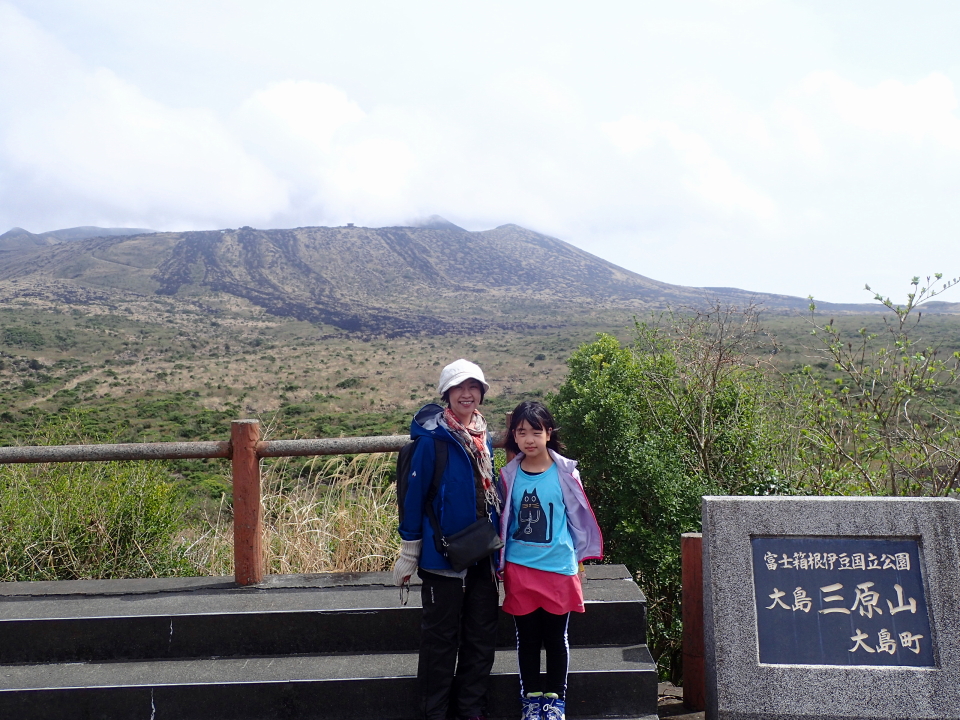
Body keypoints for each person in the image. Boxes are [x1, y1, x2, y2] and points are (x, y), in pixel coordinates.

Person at [393, 359, 502, 720]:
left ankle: (471, 711)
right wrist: (409, 551)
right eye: (459, 388)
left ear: (481, 394)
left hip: (483, 555)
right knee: (440, 644)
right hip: (442, 559)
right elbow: (414, 497)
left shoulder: (483, 438)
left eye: (473, 387)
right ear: (446, 394)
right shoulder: (432, 440)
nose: (467, 394)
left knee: (480, 640)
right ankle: (434, 713)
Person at [498, 401, 603, 720]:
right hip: (520, 567)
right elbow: (504, 520)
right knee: (527, 639)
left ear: (548, 433)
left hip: (558, 567)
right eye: (521, 432)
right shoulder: (508, 475)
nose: (529, 439)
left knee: (556, 638)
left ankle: (556, 699)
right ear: (513, 436)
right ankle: (531, 697)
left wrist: (580, 560)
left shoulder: (566, 473)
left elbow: (577, 519)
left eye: (535, 431)